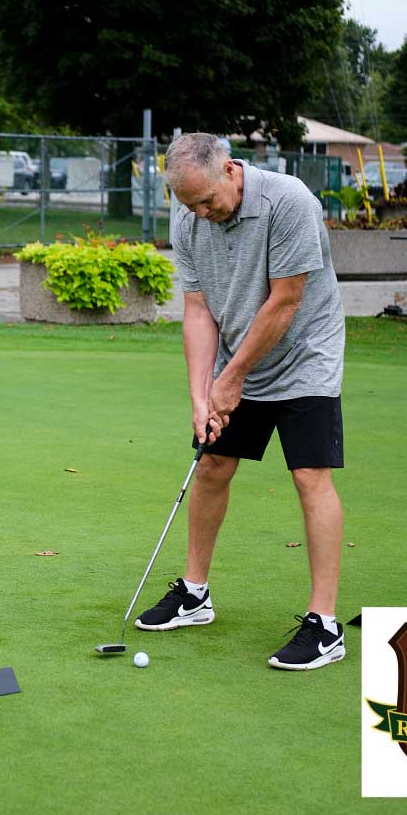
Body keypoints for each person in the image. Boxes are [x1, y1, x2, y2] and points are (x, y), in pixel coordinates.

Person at [135, 133, 347, 671]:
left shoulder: (290, 201)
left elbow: (286, 300)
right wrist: (200, 395)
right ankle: (194, 593)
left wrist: (230, 380)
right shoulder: (188, 219)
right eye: (190, 206)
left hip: (305, 355)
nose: (202, 214)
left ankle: (324, 625)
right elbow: (199, 311)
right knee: (211, 464)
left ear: (230, 170)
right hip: (236, 357)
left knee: (308, 476)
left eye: (207, 201)